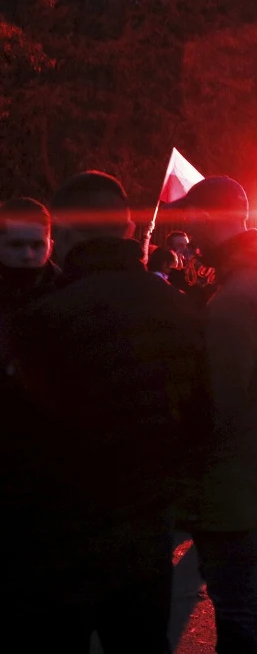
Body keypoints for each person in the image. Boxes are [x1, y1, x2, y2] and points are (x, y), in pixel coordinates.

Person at [1, 172, 208, 652]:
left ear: (62, 234)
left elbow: (17, 442)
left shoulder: (42, 317)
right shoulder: (180, 311)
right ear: (130, 231)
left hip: (57, 542)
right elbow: (200, 418)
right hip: (146, 535)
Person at [167, 176, 257, 653]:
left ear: (202, 218)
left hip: (222, 470)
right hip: (243, 460)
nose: (187, 236)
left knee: (236, 602)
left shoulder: (238, 296)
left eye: (189, 221)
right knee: (241, 595)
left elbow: (216, 400)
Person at [0, 197, 61, 327]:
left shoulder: (69, 295)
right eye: (16, 245)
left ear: (50, 247)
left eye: (37, 245)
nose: (27, 255)